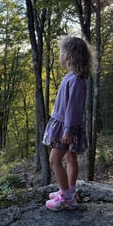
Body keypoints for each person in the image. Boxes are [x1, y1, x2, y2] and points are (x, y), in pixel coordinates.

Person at [42, 36, 93, 211]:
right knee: (70, 158)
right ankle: (69, 191)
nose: (60, 56)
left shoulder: (76, 81)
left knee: (54, 160)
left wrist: (69, 131)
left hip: (66, 127)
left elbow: (73, 109)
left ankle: (66, 197)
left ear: (69, 57)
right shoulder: (71, 77)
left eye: (61, 53)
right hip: (64, 126)